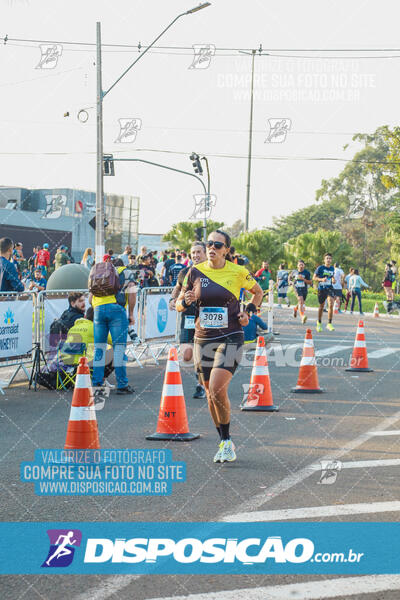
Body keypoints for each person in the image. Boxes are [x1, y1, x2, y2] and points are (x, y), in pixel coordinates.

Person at [176, 230, 263, 464]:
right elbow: (178, 304)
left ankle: (226, 442)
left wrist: (249, 312)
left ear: (226, 250)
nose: (212, 247)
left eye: (217, 244)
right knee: (208, 393)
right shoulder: (194, 272)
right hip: (203, 338)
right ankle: (224, 441)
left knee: (216, 388)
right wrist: (186, 301)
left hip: (232, 336)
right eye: (209, 244)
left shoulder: (238, 272)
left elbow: (258, 293)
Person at [89, 255, 135, 400]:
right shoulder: (125, 272)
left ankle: (97, 384)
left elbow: (90, 298)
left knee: (99, 348)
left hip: (98, 310)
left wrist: (99, 306)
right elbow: (132, 291)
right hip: (117, 309)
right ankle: (122, 384)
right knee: (119, 348)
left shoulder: (97, 273)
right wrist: (131, 313)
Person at [169, 241, 207, 399]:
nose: (196, 255)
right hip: (188, 316)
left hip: (205, 318)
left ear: (205, 254)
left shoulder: (212, 272)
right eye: (193, 252)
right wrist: (172, 300)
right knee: (187, 355)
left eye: (199, 252)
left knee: (201, 354)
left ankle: (201, 385)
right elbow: (177, 288)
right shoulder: (185, 273)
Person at [313, 253, 336, 332]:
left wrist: (333, 280)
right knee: (321, 306)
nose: (328, 260)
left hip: (329, 288)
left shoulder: (332, 269)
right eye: (327, 258)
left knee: (331, 303)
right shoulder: (320, 268)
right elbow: (314, 278)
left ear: (331, 260)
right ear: (324, 260)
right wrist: (321, 279)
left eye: (330, 258)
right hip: (321, 288)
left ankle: (329, 323)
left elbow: (332, 277)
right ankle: (319, 322)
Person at [289, 260, 312, 324]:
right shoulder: (294, 272)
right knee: (301, 301)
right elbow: (289, 277)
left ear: (304, 266)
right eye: (299, 265)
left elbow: (310, 282)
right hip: (297, 288)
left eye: (302, 265)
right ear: (297, 266)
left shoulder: (307, 273)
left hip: (304, 289)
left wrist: (303, 279)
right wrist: (290, 282)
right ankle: (302, 316)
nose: (301, 266)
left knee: (301, 302)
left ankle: (295, 309)